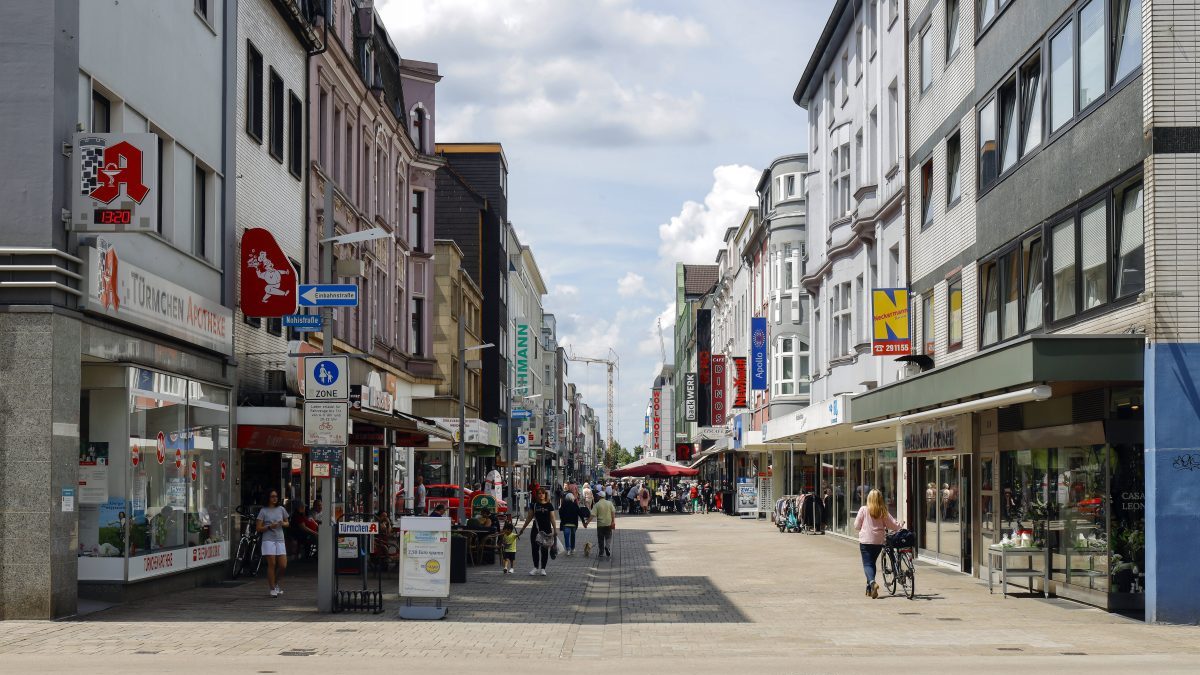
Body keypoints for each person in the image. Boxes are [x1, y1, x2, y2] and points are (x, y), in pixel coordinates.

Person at [854, 489, 903, 599]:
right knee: (872, 563)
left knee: (867, 564)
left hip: (865, 540)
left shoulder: (863, 509)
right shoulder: (883, 511)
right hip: (878, 541)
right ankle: (869, 589)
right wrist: (900, 525)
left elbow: (856, 525)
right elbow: (893, 525)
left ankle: (872, 583)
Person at [256, 491, 289, 597]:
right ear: (268, 498)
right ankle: (272, 588)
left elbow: (287, 523)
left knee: (283, 565)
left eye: (276, 496)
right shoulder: (263, 511)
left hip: (280, 539)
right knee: (272, 564)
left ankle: (275, 583)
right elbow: (258, 528)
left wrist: (283, 523)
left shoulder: (281, 509)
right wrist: (270, 527)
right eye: (272, 496)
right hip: (268, 539)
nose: (275, 498)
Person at [518, 488, 558, 575]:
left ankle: (543, 568)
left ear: (545, 495)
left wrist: (555, 529)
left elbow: (552, 518)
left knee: (544, 549)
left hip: (547, 530)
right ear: (537, 495)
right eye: (539, 493)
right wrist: (523, 528)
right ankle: (535, 567)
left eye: (543, 493)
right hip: (536, 530)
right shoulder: (534, 505)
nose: (541, 495)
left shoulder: (549, 505)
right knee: (535, 549)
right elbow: (529, 517)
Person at [591, 489, 616, 558]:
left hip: (600, 525)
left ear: (599, 497)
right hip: (608, 523)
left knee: (600, 539)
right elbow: (613, 512)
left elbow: (592, 515)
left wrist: (587, 523)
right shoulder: (609, 503)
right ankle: (607, 546)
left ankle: (601, 552)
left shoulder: (597, 504)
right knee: (608, 537)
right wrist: (613, 521)